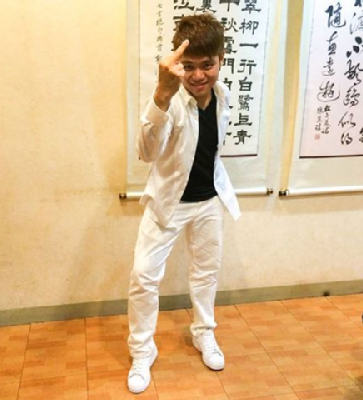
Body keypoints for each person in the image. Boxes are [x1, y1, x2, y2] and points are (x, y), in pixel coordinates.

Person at [127, 13, 241, 394]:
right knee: (144, 276)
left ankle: (204, 332)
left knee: (207, 272)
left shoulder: (223, 96)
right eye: (188, 66)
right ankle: (142, 351)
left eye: (207, 65)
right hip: (168, 203)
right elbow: (146, 153)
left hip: (209, 200)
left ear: (220, 59)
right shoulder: (170, 100)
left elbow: (212, 151)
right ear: (177, 64)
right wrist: (161, 94)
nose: (198, 75)